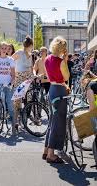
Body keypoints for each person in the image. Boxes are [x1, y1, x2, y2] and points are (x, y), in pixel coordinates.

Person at [43, 36, 70, 164]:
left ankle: (46, 149)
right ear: (62, 48)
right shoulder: (60, 61)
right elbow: (66, 76)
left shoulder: (47, 59)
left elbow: (49, 77)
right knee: (58, 122)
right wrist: (64, 60)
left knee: (52, 121)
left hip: (52, 89)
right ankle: (51, 154)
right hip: (59, 91)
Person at [12, 35, 34, 130]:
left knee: (26, 100)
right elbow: (10, 61)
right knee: (18, 101)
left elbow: (31, 68)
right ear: (30, 45)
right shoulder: (20, 52)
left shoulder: (30, 55)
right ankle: (16, 122)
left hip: (27, 78)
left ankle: (21, 121)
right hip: (20, 77)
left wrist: (34, 76)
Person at [0, 42, 15, 124]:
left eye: (5, 48)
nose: (4, 50)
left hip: (8, 85)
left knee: (9, 104)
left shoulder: (10, 60)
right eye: (2, 48)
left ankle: (13, 123)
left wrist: (11, 83)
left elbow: (13, 74)